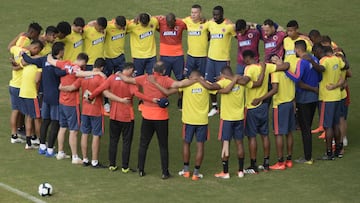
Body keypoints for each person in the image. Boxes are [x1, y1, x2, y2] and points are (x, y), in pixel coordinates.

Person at [88, 62, 156, 172]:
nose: (134, 73)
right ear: (128, 70)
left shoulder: (112, 78)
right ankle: (125, 167)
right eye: (133, 71)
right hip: (127, 116)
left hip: (114, 115)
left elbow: (100, 88)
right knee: (126, 142)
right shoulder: (130, 82)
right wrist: (151, 99)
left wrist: (91, 97)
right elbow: (138, 94)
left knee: (113, 140)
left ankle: (112, 165)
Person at [118, 61, 180, 179]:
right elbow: (178, 85)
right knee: (163, 145)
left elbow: (127, 80)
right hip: (161, 117)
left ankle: (141, 169)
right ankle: (164, 172)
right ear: (163, 71)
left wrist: (118, 74)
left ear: (153, 70)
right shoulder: (166, 80)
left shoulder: (145, 78)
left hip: (147, 116)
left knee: (143, 144)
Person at [149, 69, 212, 181]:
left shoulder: (185, 85)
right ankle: (196, 173)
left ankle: (186, 171)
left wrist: (154, 83)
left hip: (188, 120)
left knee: (186, 144)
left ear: (190, 77)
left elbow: (167, 92)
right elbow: (217, 89)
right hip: (202, 121)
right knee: (200, 146)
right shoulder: (206, 85)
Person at [204, 66, 264, 178]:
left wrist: (202, 80)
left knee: (225, 144)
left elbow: (211, 87)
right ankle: (240, 171)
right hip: (240, 118)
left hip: (227, 119)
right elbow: (256, 83)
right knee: (240, 143)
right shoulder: (241, 82)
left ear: (223, 74)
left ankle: (225, 172)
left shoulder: (224, 82)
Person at [47, 53, 105, 164]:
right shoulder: (76, 68)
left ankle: (60, 152)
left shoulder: (65, 63)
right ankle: (74, 157)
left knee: (63, 127)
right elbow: (79, 74)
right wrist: (97, 72)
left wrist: (50, 54)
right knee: (73, 131)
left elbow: (51, 60)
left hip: (61, 101)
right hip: (72, 103)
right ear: (83, 61)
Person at [241, 50, 289, 173]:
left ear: (247, 59)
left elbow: (250, 82)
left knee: (252, 137)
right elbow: (286, 66)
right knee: (264, 135)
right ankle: (266, 164)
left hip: (252, 106)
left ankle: (253, 165)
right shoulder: (267, 67)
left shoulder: (248, 69)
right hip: (263, 106)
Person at [21, 42, 67, 156]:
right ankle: (50, 149)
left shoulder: (44, 59)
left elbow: (31, 60)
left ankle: (42, 146)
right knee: (55, 123)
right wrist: (70, 69)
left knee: (46, 121)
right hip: (55, 98)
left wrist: (23, 54)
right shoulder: (57, 64)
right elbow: (61, 72)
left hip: (45, 97)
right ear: (60, 52)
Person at [262, 55, 296, 170]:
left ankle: (280, 162)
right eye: (273, 61)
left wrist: (262, 98)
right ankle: (289, 160)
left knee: (278, 133)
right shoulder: (288, 69)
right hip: (290, 103)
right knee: (289, 132)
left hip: (280, 105)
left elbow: (275, 89)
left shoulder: (275, 73)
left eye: (276, 58)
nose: (276, 61)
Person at [8, 41, 43, 144]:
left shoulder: (18, 49)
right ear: (35, 48)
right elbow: (22, 65)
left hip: (14, 85)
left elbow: (10, 48)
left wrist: (14, 63)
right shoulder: (31, 58)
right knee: (33, 115)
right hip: (23, 88)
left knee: (20, 112)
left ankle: (16, 136)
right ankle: (35, 139)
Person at [317, 46, 348, 160]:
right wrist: (335, 86)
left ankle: (329, 153)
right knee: (336, 124)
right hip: (337, 97)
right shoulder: (337, 59)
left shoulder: (324, 60)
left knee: (327, 126)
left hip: (327, 98)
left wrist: (312, 63)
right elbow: (345, 69)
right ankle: (339, 150)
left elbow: (321, 69)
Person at [206, 5, 236, 116]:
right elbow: (206, 33)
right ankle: (214, 106)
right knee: (209, 82)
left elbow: (239, 36)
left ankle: (226, 107)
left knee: (225, 83)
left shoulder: (229, 26)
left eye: (217, 14)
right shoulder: (210, 23)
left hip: (223, 60)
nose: (215, 16)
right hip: (211, 59)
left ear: (222, 14)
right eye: (213, 14)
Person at [103, 16, 128, 113]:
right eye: (120, 27)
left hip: (120, 57)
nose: (122, 29)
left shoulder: (126, 25)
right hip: (108, 58)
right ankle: (106, 102)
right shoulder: (108, 27)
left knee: (122, 79)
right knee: (107, 80)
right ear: (116, 24)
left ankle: (120, 99)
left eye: (123, 27)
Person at [183, 4, 209, 77]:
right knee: (188, 76)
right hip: (190, 56)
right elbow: (176, 21)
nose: (193, 15)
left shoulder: (206, 23)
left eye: (195, 13)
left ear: (200, 13)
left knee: (202, 77)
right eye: (192, 12)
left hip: (202, 57)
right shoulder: (187, 20)